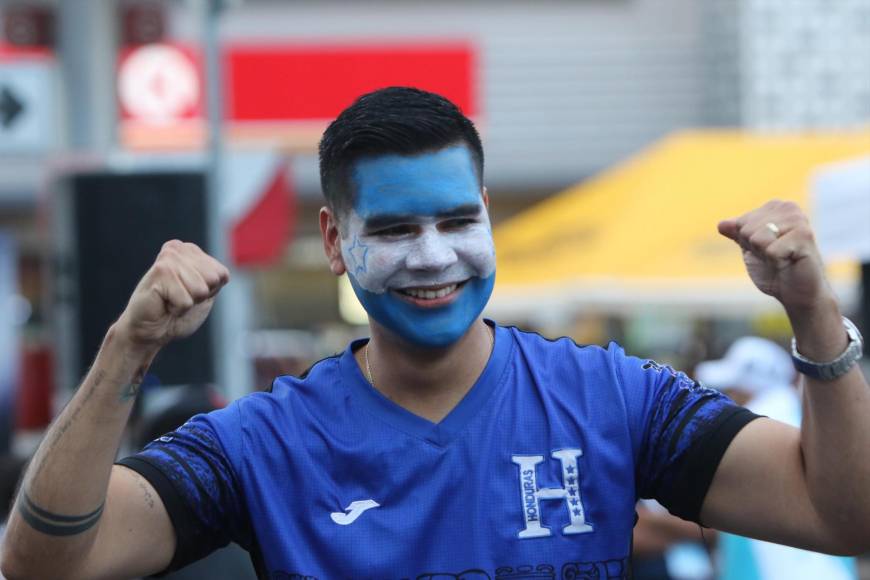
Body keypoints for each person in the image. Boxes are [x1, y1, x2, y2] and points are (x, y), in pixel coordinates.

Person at [2, 87, 868, 580]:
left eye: (457, 221)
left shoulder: (612, 398)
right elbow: (40, 570)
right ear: (336, 243)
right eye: (393, 231)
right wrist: (128, 349)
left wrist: (813, 311)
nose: (433, 258)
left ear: (487, 215)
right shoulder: (264, 443)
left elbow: (846, 519)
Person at [695, 336, 858, 580]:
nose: (726, 394)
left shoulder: (752, 426)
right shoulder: (800, 417)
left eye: (730, 388)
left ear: (747, 388)